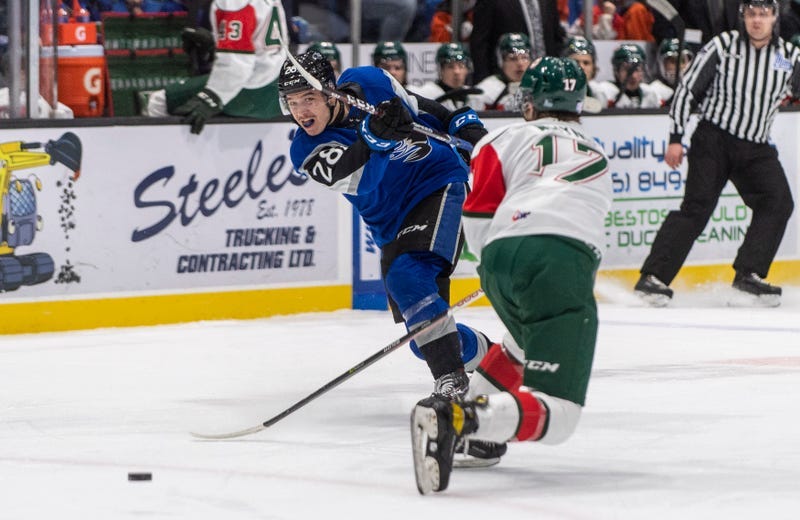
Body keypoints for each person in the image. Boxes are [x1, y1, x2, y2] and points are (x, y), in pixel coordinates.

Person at [410, 56, 612, 494]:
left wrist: (492, 270)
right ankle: (459, 419)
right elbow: (587, 227)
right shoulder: (596, 152)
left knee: (520, 343)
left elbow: (478, 213)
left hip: (502, 256)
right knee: (558, 415)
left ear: (528, 104)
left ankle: (478, 438)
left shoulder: (501, 138)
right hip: (560, 257)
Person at [279, 50, 493, 404]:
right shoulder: (306, 149)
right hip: (394, 225)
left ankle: (452, 382)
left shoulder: (371, 82)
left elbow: (423, 110)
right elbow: (358, 179)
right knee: (426, 341)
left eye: (309, 98)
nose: (301, 111)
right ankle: (499, 362)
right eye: (292, 102)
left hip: (439, 182)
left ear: (331, 93)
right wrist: (374, 140)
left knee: (408, 277)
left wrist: (462, 124)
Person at [635, 0, 800, 307]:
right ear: (743, 17)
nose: (757, 20)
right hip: (714, 140)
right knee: (696, 209)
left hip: (756, 146)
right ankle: (652, 278)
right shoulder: (723, 47)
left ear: (774, 18)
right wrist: (675, 137)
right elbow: (687, 91)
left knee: (778, 202)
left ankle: (748, 275)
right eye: (751, 14)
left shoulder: (788, 57)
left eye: (763, 14)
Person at [142, 0, 287, 134]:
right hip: (276, 90)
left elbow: (237, 63)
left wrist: (213, 96)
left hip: (252, 90)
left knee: (159, 101)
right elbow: (259, 40)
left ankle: (168, 158)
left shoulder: (233, 2)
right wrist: (215, 43)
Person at [469, 0, 566, 82]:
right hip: (506, 82)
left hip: (547, 79)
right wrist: (484, 81)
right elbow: (479, 42)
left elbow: (556, 37)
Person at [468, 32, 531, 111]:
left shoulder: (540, 87)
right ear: (501, 61)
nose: (520, 64)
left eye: (524, 58)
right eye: (513, 58)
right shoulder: (485, 90)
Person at [409, 42, 479, 110]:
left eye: (461, 66)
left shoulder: (473, 95)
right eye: (450, 67)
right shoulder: (426, 93)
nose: (457, 72)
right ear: (441, 70)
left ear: (467, 69)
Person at [564, 35, 616, 109]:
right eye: (575, 62)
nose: (581, 67)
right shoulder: (552, 94)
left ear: (593, 68)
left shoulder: (599, 95)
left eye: (586, 63)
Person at [604, 43, 661, 109]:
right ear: (616, 71)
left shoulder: (650, 94)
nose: (633, 76)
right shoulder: (606, 93)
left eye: (637, 69)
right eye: (627, 69)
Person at [649, 37, 694, 107]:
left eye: (683, 61)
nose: (679, 66)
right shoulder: (653, 90)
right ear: (662, 64)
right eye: (673, 61)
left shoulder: (693, 89)